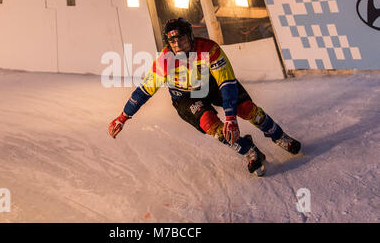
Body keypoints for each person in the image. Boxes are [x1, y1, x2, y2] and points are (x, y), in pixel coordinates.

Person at [108, 18, 301, 176]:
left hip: (212, 85)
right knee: (212, 126)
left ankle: (279, 136)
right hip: (185, 96)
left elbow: (226, 83)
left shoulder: (209, 49)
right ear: (168, 44)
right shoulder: (164, 62)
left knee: (247, 110)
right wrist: (123, 117)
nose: (179, 46)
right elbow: (142, 92)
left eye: (182, 40)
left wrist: (231, 117)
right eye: (173, 43)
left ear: (191, 37)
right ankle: (248, 151)